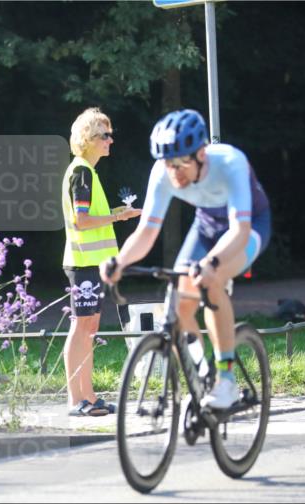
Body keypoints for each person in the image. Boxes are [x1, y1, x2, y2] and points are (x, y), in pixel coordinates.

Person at [101, 109, 271, 409]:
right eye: (168, 164)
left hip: (249, 227)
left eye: (181, 164)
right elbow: (146, 232)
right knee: (176, 306)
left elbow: (240, 230)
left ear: (201, 154)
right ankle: (200, 378)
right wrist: (120, 262)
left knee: (212, 281)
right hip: (206, 227)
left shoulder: (230, 163)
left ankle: (226, 380)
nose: (174, 173)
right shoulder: (163, 173)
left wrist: (212, 263)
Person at [62, 108, 141, 417]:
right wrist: (117, 216)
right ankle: (75, 399)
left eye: (110, 134)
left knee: (90, 328)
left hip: (91, 264)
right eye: (104, 135)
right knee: (81, 328)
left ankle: (89, 396)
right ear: (88, 139)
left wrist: (115, 214)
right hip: (83, 263)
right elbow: (82, 221)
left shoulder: (87, 171)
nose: (111, 140)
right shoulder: (81, 171)